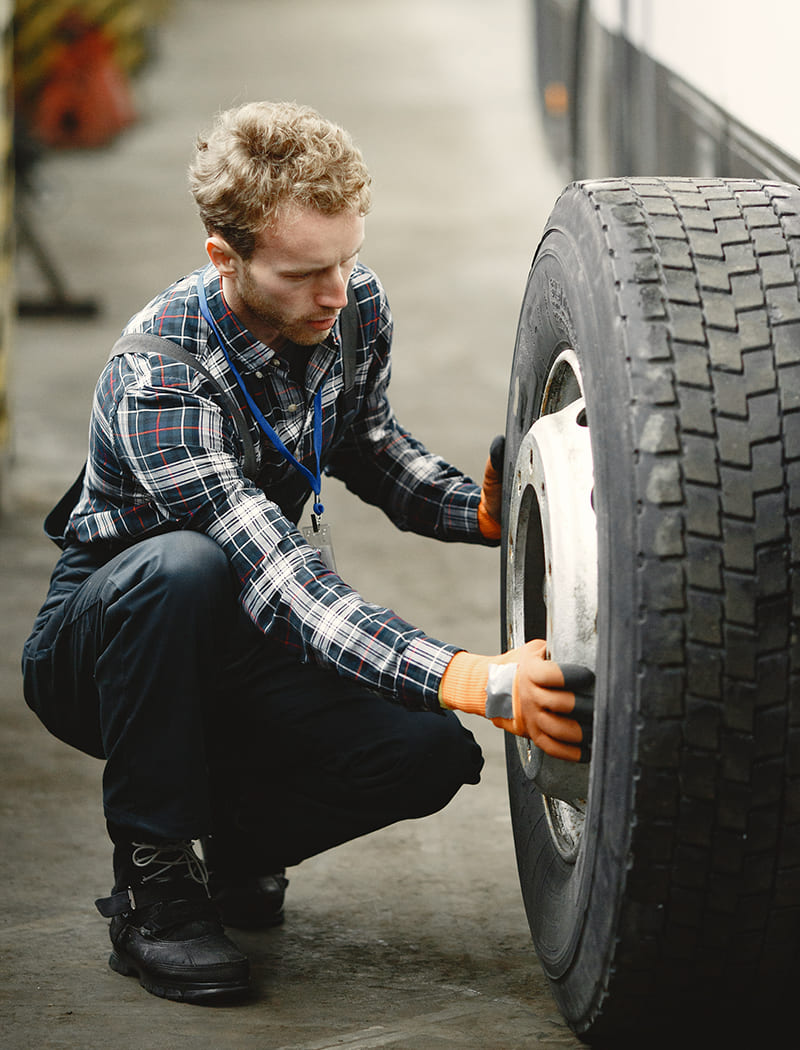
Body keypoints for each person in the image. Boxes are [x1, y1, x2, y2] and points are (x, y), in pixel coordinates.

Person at [21, 101, 591, 1006]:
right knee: (186, 567)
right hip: (114, 641)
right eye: (304, 271)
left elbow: (366, 442)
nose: (337, 291)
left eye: (348, 257)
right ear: (225, 258)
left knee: (428, 753)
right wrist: (472, 678)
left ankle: (238, 840)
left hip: (244, 626)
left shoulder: (349, 306)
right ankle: (154, 880)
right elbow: (278, 575)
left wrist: (476, 512)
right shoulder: (159, 375)